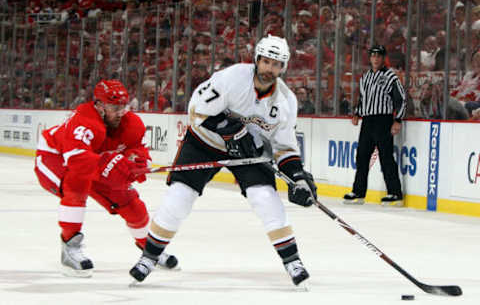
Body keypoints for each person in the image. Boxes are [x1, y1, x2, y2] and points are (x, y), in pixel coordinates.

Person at [129, 35, 317, 287]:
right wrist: (231, 130)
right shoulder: (232, 78)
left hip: (248, 152)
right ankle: (149, 256)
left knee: (265, 198)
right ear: (257, 59)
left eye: (276, 64)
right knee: (179, 197)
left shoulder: (286, 101)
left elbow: (284, 147)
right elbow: (197, 110)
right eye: (266, 61)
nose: (270, 68)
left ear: (283, 67)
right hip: (204, 143)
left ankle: (292, 260)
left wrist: (297, 177)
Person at [34, 79, 177, 277]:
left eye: (123, 107)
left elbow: (137, 149)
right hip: (54, 156)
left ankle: (150, 250)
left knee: (130, 202)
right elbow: (77, 160)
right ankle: (70, 246)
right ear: (99, 105)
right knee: (76, 185)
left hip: (92, 161)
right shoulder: (85, 121)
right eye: (114, 107)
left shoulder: (131, 124)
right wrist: (110, 165)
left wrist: (136, 163)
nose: (120, 112)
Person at [343, 45, 406, 206]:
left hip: (383, 120)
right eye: (373, 55)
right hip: (368, 121)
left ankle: (395, 193)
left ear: (383, 58)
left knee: (386, 157)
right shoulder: (365, 77)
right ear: (370, 58)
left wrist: (397, 119)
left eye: (379, 56)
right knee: (362, 156)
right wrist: (358, 113)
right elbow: (363, 99)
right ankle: (358, 191)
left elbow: (401, 99)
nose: (376, 58)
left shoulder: (391, 76)